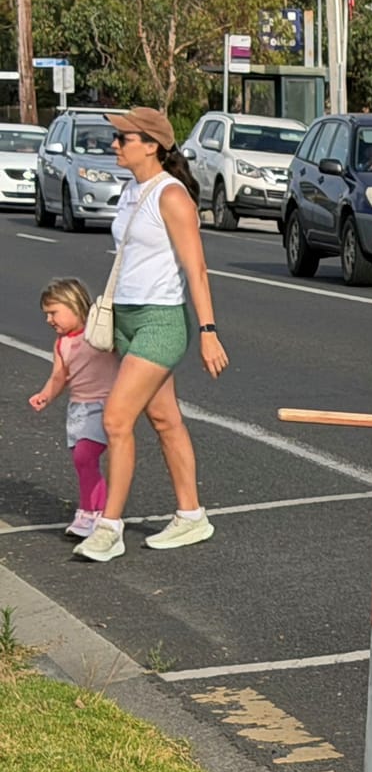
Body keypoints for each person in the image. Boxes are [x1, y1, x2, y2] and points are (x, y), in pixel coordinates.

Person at [71, 107, 229, 564]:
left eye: (123, 138)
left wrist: (208, 331)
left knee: (117, 420)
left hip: (160, 321)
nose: (115, 144)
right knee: (165, 420)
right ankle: (191, 515)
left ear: (152, 144)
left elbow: (196, 268)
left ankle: (109, 527)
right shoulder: (131, 189)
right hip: (126, 319)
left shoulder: (171, 196)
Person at [27, 277, 118, 539]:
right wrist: (45, 395)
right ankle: (95, 511)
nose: (49, 320)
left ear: (75, 305)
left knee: (85, 456)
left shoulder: (98, 331)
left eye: (53, 312)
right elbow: (59, 376)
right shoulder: (61, 343)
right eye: (46, 314)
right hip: (78, 408)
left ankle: (91, 511)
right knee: (84, 463)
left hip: (105, 404)